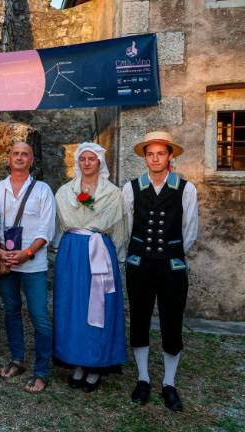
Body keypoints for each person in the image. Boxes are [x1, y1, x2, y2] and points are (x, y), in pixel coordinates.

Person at [122, 131, 198, 412]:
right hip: (139, 265)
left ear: (169, 156)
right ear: (145, 158)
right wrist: (134, 254)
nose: (155, 159)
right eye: (150, 154)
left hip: (171, 266)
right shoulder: (131, 188)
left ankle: (169, 383)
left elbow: (190, 230)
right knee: (139, 318)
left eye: (160, 153)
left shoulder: (186, 189)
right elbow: (126, 227)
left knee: (172, 321)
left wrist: (172, 252)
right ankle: (143, 378)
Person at [53, 142, 128, 393]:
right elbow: (58, 225)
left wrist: (118, 255)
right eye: (82, 158)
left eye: (91, 159)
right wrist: (57, 250)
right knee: (73, 307)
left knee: (99, 308)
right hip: (72, 252)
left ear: (99, 162)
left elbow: (119, 228)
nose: (86, 163)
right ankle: (77, 361)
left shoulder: (113, 193)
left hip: (100, 251)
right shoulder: (65, 192)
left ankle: (95, 363)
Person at [0, 141, 55, 394]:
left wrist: (26, 253)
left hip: (33, 264)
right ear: (8, 159)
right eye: (15, 154)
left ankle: (41, 371)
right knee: (11, 311)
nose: (19, 158)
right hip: (6, 263)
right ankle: (17, 359)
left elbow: (47, 229)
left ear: (31, 160)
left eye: (24, 154)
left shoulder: (42, 190)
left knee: (39, 317)